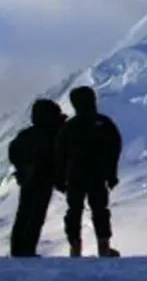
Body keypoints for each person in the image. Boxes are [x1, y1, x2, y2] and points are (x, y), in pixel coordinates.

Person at [55, 86, 122, 258]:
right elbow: (114, 149)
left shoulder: (69, 126)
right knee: (100, 210)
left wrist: (61, 178)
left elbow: (60, 153)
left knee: (74, 211)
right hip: (97, 175)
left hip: (75, 175)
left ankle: (75, 249)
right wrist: (111, 174)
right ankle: (104, 248)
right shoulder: (104, 123)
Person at [7, 98, 66, 257]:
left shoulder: (27, 134)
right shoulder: (53, 134)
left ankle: (19, 250)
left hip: (30, 179)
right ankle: (26, 250)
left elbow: (14, 152)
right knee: (35, 216)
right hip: (43, 179)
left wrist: (23, 168)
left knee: (25, 214)